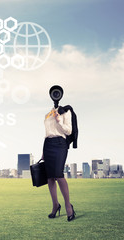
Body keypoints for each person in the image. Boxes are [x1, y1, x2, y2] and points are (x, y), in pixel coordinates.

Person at [42, 86, 76, 222]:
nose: (55, 95)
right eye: (53, 93)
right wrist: (42, 152)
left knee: (58, 175)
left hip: (60, 145)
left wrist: (59, 120)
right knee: (50, 178)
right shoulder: (48, 114)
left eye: (57, 93)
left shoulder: (65, 112)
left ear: (60, 95)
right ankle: (55, 205)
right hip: (48, 145)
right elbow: (46, 134)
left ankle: (68, 206)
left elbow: (68, 131)